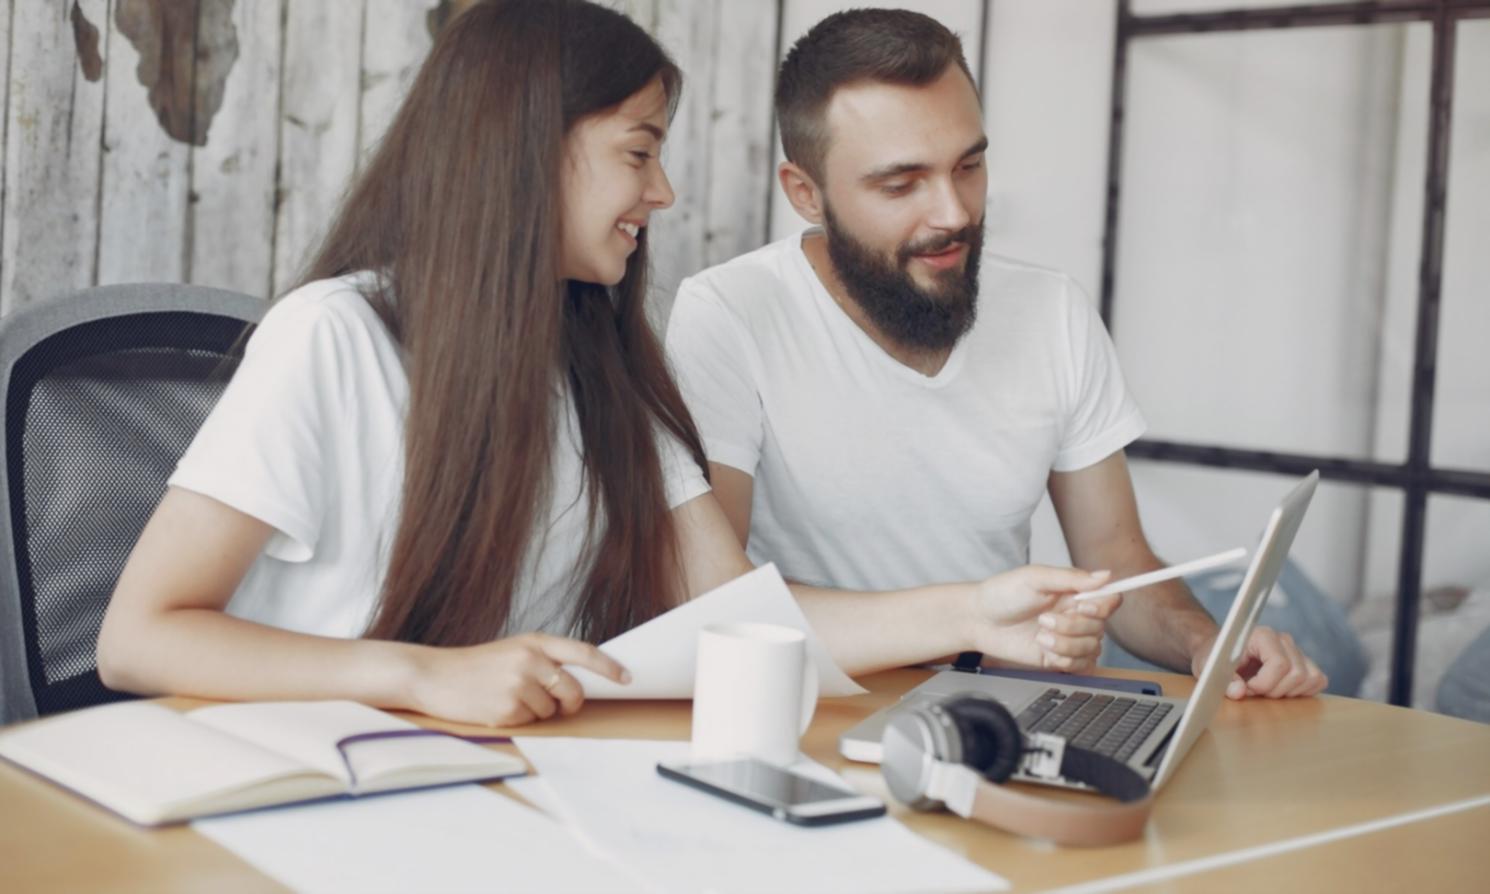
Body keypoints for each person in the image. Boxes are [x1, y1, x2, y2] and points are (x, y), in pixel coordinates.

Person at [98, 0, 1120, 729]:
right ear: (526, 150)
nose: (664, 190)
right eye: (638, 151)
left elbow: (737, 616)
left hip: (496, 796)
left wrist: (972, 611)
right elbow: (140, 637)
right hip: (298, 792)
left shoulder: (606, 362)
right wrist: (422, 677)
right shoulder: (333, 338)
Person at [664, 8, 1327, 700]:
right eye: (901, 184)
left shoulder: (1052, 313)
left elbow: (1116, 560)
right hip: (810, 708)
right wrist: (973, 616)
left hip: (1003, 711)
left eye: (969, 166)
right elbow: (718, 601)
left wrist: (1206, 641)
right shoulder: (729, 316)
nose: (953, 212)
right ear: (806, 194)